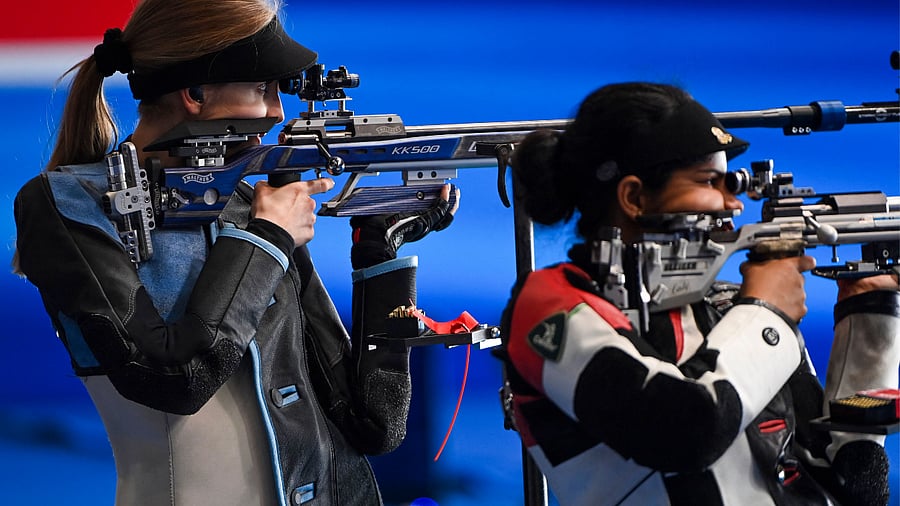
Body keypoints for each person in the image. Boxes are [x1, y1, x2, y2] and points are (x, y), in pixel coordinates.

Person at [12, 0, 459, 504]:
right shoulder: (65, 204)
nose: (277, 112)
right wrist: (268, 238)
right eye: (262, 89)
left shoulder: (249, 204)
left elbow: (375, 423)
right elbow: (172, 379)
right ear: (196, 93)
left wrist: (381, 250)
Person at [496, 82, 899, 505]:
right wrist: (766, 313)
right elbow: (687, 430)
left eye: (734, 182)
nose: (734, 203)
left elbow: (855, 487)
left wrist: (869, 316)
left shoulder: (728, 308)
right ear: (633, 196)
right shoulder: (548, 307)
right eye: (711, 181)